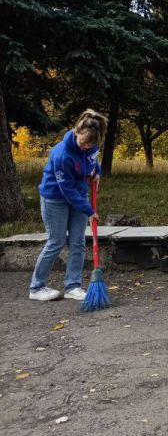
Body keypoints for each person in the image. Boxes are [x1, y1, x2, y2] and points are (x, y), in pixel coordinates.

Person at [30, 110, 107, 301]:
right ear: (76, 131)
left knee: (78, 242)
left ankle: (73, 286)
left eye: (90, 144)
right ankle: (36, 287)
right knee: (56, 241)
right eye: (83, 142)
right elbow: (67, 190)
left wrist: (97, 170)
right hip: (55, 198)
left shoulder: (91, 147)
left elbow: (92, 160)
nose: (85, 146)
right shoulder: (62, 154)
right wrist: (89, 210)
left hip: (78, 195)